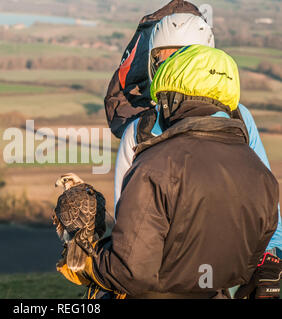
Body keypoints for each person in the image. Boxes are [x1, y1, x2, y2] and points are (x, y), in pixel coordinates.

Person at [57, 45, 280, 299]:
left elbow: (130, 271)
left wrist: (85, 262)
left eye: (163, 100)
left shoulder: (157, 167)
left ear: (174, 101)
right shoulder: (262, 176)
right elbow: (253, 259)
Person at [112, 14, 282, 297]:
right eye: (162, 59)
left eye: (181, 58)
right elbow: (126, 223)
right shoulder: (139, 129)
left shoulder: (239, 117)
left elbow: (265, 206)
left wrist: (269, 264)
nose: (171, 67)